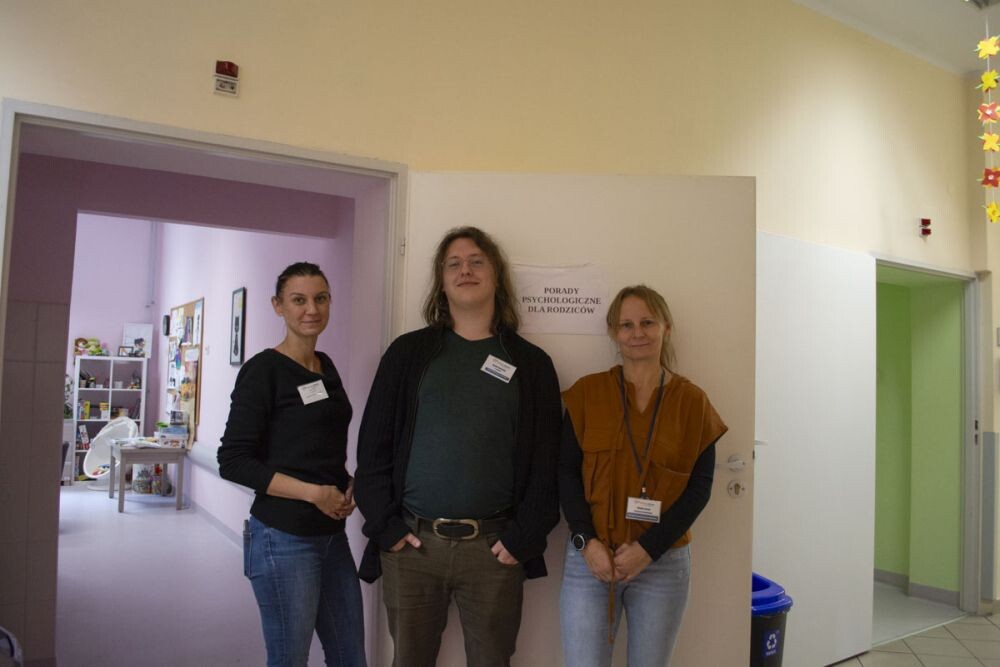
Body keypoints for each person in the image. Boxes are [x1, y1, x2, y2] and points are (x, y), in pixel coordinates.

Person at [354, 226, 562, 667]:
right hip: (413, 547)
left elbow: (548, 464)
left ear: (496, 276)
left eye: (476, 261)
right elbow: (372, 449)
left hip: (494, 551)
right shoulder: (407, 354)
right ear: (442, 281)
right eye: (454, 264)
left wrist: (523, 537)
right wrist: (387, 528)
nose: (465, 270)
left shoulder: (532, 365)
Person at [558, 285, 728, 667]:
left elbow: (699, 488)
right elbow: (566, 473)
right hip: (591, 559)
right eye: (627, 325)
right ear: (614, 333)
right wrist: (587, 542)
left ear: (666, 327)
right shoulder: (587, 393)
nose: (638, 333)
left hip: (662, 563)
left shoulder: (692, 402)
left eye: (647, 322)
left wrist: (649, 549)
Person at [217, 262, 365, 667]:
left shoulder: (326, 366)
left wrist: (345, 482)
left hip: (331, 536)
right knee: (289, 659)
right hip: (282, 538)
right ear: (278, 306)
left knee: (350, 656)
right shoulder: (263, 371)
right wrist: (313, 493)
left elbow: (316, 444)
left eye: (320, 298)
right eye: (298, 300)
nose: (311, 309)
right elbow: (233, 461)